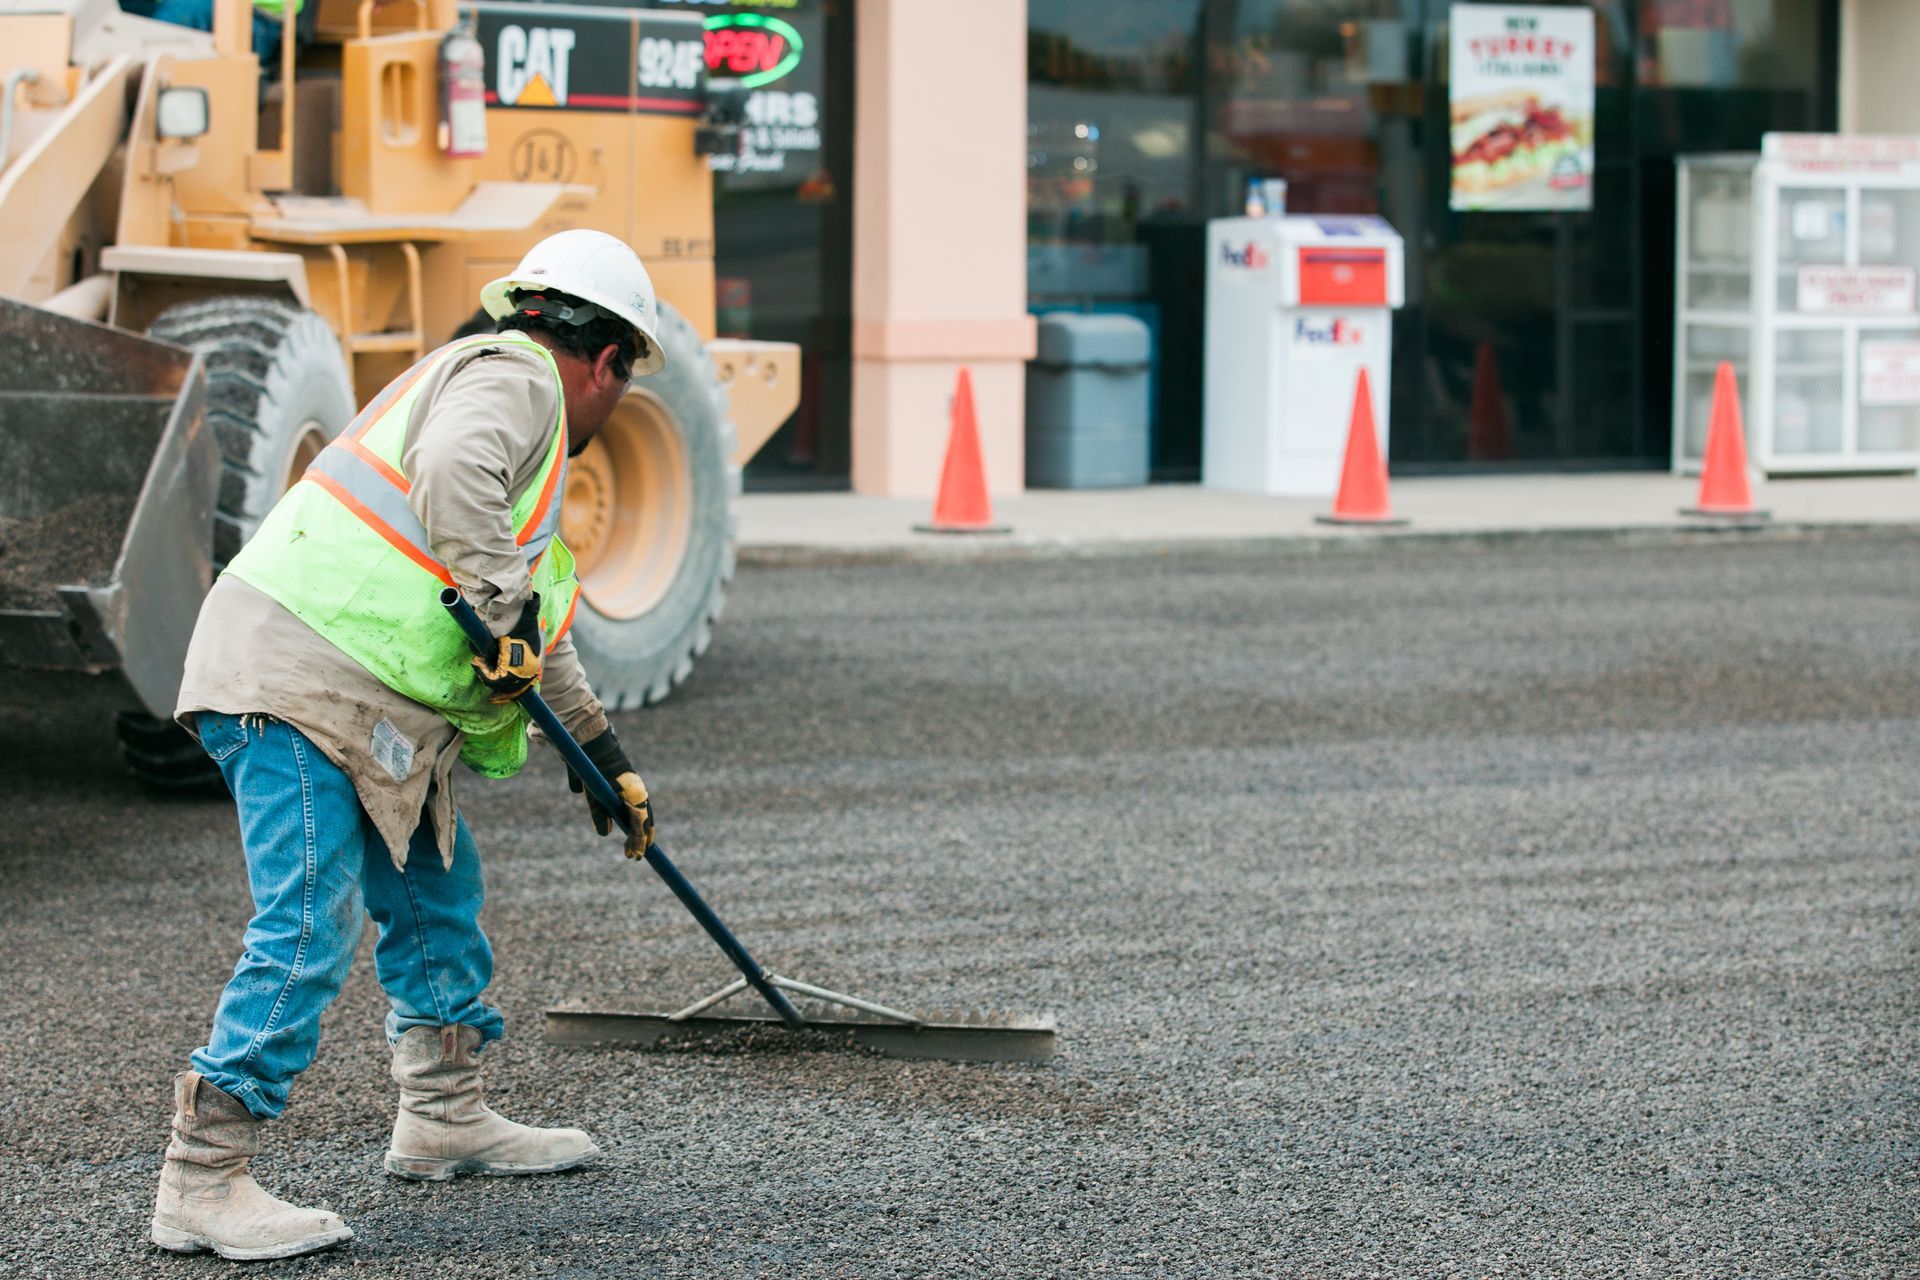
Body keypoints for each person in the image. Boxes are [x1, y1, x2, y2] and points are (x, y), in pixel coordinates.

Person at [150, 229, 664, 1262]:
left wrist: (604, 759)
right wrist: (496, 603)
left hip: (356, 693)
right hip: (293, 677)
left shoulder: (522, 441)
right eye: (625, 381)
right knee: (311, 913)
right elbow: (454, 477)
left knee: (434, 882)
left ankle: (444, 1113)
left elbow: (535, 629)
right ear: (605, 360)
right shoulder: (514, 381)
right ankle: (201, 1177)